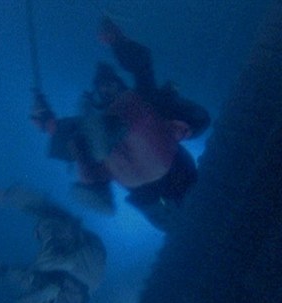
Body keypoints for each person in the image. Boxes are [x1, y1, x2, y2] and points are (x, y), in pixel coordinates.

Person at [31, 17, 211, 230]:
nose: (107, 89)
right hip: (150, 193)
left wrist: (118, 42)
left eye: (110, 84)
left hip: (166, 177)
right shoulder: (95, 125)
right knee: (84, 136)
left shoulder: (141, 98)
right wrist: (47, 122)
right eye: (102, 88)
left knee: (88, 134)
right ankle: (97, 186)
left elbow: (143, 66)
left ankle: (96, 185)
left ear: (120, 84)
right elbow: (66, 132)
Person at [0, 185, 107, 303]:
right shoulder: (88, 269)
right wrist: (10, 196)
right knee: (48, 268)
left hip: (75, 257)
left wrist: (4, 271)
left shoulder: (64, 272)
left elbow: (31, 277)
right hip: (81, 252)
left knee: (44, 273)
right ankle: (53, 287)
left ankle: (52, 289)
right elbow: (45, 208)